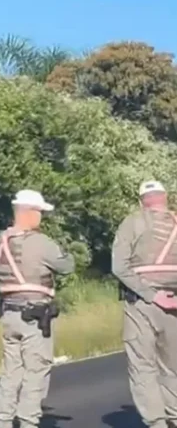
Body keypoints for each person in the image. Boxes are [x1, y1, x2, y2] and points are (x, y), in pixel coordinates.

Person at [0, 189, 75, 428]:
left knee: (10, 374)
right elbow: (67, 265)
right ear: (28, 212)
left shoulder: (1, 241)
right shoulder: (41, 242)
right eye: (39, 212)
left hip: (9, 314)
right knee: (35, 372)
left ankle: (3, 422)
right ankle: (28, 422)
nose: (41, 217)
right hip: (34, 317)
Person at [112, 180, 177, 428]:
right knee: (173, 368)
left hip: (141, 304)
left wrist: (150, 294)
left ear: (142, 202)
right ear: (165, 197)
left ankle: (157, 423)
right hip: (174, 304)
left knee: (143, 367)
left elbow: (119, 266)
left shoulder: (133, 222)